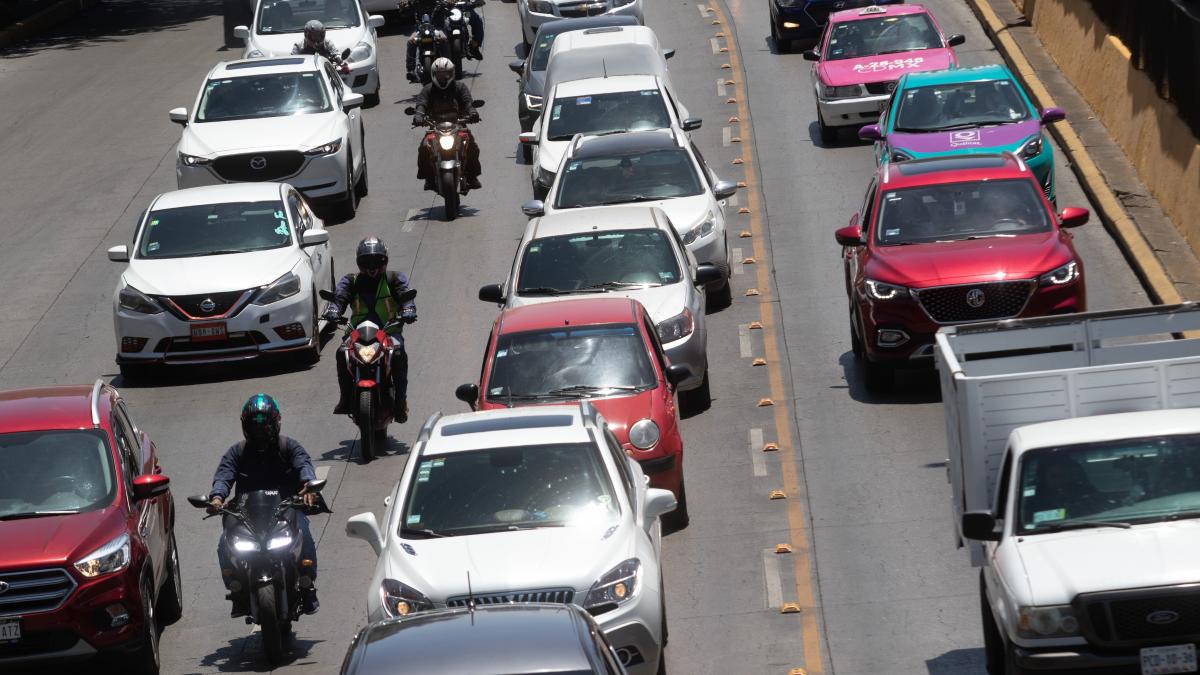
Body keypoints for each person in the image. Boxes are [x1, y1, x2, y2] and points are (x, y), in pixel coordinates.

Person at [207, 394, 320, 617]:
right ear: (245, 426)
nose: (260, 430)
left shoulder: (289, 446)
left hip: (286, 509)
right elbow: (223, 475)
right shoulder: (237, 452)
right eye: (254, 424)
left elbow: (304, 465)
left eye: (265, 424)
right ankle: (237, 590)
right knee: (224, 543)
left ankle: (307, 586)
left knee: (304, 533)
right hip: (246, 515)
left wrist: (308, 485)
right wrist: (217, 498)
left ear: (275, 423)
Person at [323, 237, 417, 422]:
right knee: (341, 353)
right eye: (367, 262)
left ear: (385, 260)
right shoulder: (350, 281)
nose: (372, 266)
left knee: (398, 355)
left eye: (377, 261)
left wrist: (408, 309)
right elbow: (339, 298)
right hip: (357, 332)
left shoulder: (395, 278)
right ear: (359, 262)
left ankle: (400, 402)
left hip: (389, 331)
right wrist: (333, 311)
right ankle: (345, 398)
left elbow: (406, 296)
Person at [413, 58, 482, 191]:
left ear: (452, 73)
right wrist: (418, 115)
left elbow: (468, 102)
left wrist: (473, 112)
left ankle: (472, 177)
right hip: (435, 127)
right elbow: (421, 104)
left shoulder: (460, 87)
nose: (443, 77)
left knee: (472, 146)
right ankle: (428, 178)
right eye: (439, 74)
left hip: (458, 125)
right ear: (433, 74)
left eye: (446, 73)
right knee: (423, 148)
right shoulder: (428, 89)